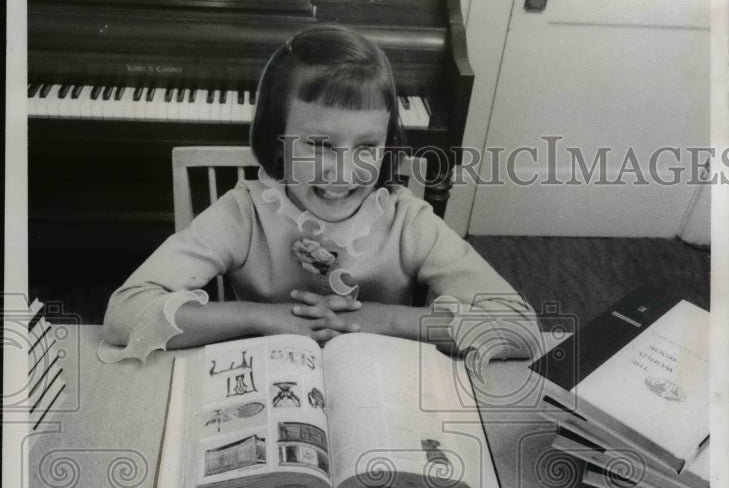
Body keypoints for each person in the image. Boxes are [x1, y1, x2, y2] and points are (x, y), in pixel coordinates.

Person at [101, 24, 538, 362]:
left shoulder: (407, 221)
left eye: (367, 146)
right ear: (277, 138)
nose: (344, 170)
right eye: (319, 144)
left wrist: (380, 319)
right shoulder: (243, 213)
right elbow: (124, 315)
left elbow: (520, 329)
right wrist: (261, 316)